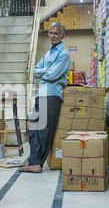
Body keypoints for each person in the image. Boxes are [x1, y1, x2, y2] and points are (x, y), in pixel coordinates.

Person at [20, 22, 71, 173]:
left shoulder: (64, 55)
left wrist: (44, 71)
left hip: (52, 95)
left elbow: (52, 75)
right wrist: (45, 71)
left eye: (56, 33)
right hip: (41, 93)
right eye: (50, 33)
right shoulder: (49, 53)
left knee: (44, 131)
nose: (52, 36)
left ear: (62, 35)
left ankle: (38, 163)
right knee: (33, 129)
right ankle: (32, 159)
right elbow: (35, 71)